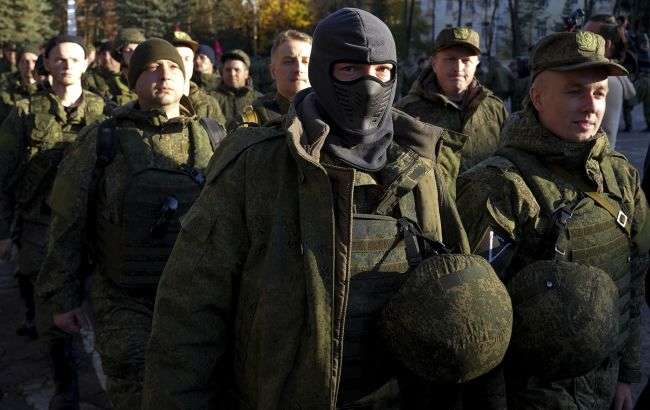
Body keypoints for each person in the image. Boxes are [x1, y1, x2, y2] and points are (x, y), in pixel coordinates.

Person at [142, 8, 512, 409]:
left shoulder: (419, 168)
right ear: (321, 71)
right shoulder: (257, 166)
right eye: (350, 70)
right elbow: (190, 311)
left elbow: (465, 294)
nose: (369, 86)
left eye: (382, 71)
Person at [456, 31, 650, 409]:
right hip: (529, 395)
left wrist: (626, 375)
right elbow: (475, 322)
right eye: (574, 91)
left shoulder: (620, 175)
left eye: (599, 93)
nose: (591, 106)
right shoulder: (498, 186)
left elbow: (635, 273)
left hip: (605, 386)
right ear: (538, 97)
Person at [35, 37, 218, 410]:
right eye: (151, 68)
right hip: (124, 296)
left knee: (194, 386)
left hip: (196, 296)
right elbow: (68, 220)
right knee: (135, 381)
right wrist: (63, 296)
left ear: (186, 79)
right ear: (133, 81)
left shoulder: (213, 136)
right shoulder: (104, 138)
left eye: (172, 67)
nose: (164, 74)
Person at [0, 34, 105, 410]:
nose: (66, 65)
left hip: (94, 227)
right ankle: (66, 388)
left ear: (87, 63)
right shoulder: (25, 112)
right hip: (41, 227)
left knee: (99, 304)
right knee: (51, 311)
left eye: (74, 59)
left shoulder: (106, 112)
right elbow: (3, 173)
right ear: (46, 63)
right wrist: (3, 231)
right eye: (59, 59)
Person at [395, 27, 507, 190]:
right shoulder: (407, 112)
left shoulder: (494, 109)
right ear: (434, 63)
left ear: (476, 64)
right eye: (450, 59)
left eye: (466, 60)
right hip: (430, 205)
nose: (458, 67)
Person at [239, 29, 311, 127]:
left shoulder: (329, 112)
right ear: (273, 71)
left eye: (306, 61)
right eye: (288, 61)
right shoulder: (254, 121)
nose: (298, 69)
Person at [585, 19, 636, 147]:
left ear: (607, 44)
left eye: (591, 38)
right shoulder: (613, 75)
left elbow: (604, 130)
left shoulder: (604, 79)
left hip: (595, 153)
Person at [167, 31, 226, 125]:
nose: (182, 64)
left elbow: (221, 133)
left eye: (187, 58)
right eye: (177, 58)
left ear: (192, 64)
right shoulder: (156, 100)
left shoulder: (209, 104)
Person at [211, 48, 260, 124]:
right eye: (228, 70)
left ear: (246, 73)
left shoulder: (258, 100)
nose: (232, 74)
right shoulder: (211, 99)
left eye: (237, 70)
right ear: (222, 72)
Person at [0, 43, 40, 121]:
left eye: (34, 61)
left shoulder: (49, 86)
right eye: (25, 62)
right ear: (19, 64)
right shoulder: (6, 88)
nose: (30, 66)